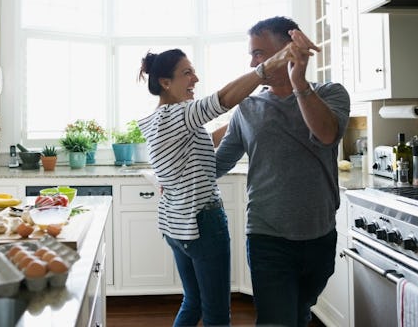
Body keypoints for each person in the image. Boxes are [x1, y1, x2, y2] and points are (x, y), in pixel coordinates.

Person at [136, 35, 318, 327]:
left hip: (176, 225)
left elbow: (202, 142)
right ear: (165, 83)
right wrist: (267, 67)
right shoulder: (179, 114)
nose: (195, 77)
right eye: (186, 73)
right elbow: (221, 99)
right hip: (203, 223)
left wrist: (241, 119)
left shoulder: (160, 119)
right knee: (217, 315)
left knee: (193, 301)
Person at [215, 16, 351, 327]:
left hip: (320, 235)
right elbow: (218, 164)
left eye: (259, 53)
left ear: (287, 50)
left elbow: (326, 134)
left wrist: (299, 82)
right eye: (252, 54)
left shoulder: (331, 93)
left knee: (301, 312)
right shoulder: (248, 108)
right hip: (267, 237)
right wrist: (174, 177)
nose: (253, 62)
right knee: (277, 320)